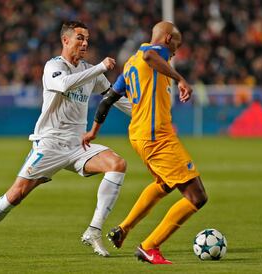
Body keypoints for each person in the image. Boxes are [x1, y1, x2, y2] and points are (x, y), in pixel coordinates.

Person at [0, 21, 131, 258]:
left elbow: (114, 99)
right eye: (80, 38)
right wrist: (100, 67)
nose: (85, 43)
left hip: (79, 145)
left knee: (117, 164)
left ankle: (93, 230)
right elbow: (62, 84)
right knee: (15, 195)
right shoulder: (54, 66)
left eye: (87, 38)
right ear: (65, 40)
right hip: (50, 143)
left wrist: (148, 114)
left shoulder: (89, 71)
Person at [82, 21, 208, 264]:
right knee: (197, 197)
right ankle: (150, 247)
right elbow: (151, 55)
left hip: (139, 136)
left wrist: (93, 131)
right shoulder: (156, 52)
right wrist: (180, 79)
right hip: (156, 136)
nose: (172, 55)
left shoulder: (130, 64)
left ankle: (124, 228)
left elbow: (107, 100)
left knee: (165, 184)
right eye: (175, 50)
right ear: (168, 39)